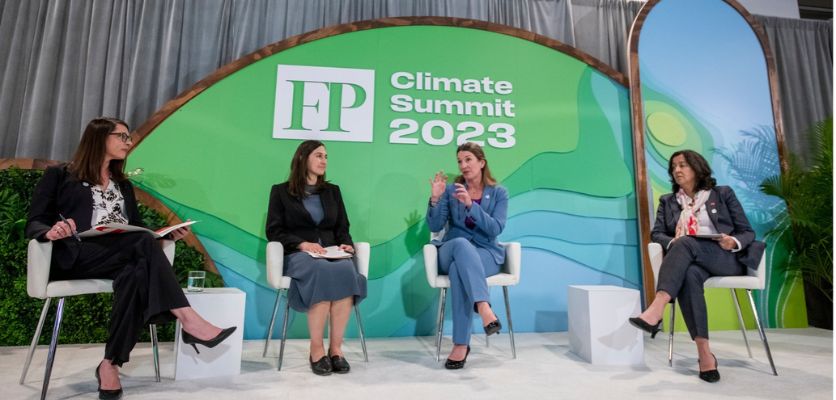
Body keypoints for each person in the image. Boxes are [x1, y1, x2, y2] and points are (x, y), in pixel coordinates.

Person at [26, 117, 236, 400]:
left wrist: (165, 237)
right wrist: (51, 231)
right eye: (122, 137)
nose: (129, 142)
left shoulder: (121, 184)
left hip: (121, 256)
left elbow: (136, 229)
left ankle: (110, 364)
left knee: (137, 272)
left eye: (128, 138)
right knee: (140, 247)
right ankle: (188, 319)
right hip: (76, 256)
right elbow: (34, 221)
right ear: (99, 137)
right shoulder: (62, 175)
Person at [629, 149, 765, 383]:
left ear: (697, 167)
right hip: (692, 259)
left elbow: (747, 231)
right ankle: (705, 354)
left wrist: (732, 241)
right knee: (689, 273)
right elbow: (657, 234)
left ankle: (657, 307)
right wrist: (676, 243)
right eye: (674, 167)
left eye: (682, 165)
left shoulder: (722, 194)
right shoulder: (669, 201)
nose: (677, 170)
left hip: (724, 258)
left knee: (684, 243)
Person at [265, 140, 367, 376]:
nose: (324, 161)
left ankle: (336, 350)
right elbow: (274, 230)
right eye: (319, 155)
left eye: (326, 157)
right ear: (303, 158)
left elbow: (342, 226)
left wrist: (346, 244)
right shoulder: (280, 192)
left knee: (343, 270)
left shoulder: (333, 191)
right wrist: (302, 244)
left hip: (332, 252)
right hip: (300, 255)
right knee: (321, 270)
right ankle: (316, 348)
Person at [426, 142, 509, 369]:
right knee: (461, 244)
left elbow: (495, 229)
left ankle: (461, 345)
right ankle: (483, 306)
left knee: (458, 270)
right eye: (460, 161)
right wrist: (435, 198)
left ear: (482, 163)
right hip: (452, 249)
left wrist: (471, 206)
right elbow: (434, 224)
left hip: (486, 253)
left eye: (468, 160)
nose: (463, 165)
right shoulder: (451, 190)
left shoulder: (499, 193)